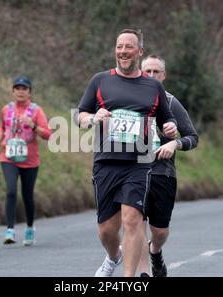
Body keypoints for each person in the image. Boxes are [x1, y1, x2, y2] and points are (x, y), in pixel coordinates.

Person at [77, 29, 177, 277]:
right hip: (106, 162)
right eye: (119, 46)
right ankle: (113, 256)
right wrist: (93, 117)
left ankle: (128, 279)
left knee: (133, 220)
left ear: (139, 51)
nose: (123, 51)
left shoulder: (152, 86)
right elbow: (79, 116)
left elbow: (168, 120)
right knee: (107, 231)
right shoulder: (100, 80)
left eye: (129, 47)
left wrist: (170, 127)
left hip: (138, 163)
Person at [137, 55, 198, 277]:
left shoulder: (171, 102)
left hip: (163, 172)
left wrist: (175, 143)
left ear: (163, 76)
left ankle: (156, 251)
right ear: (140, 72)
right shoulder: (127, 99)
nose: (151, 76)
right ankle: (144, 274)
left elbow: (193, 137)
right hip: (133, 172)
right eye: (147, 71)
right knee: (135, 224)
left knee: (159, 230)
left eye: (156, 72)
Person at [0, 75, 51, 246]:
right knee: (11, 191)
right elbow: (2, 127)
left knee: (27, 196)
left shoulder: (36, 111)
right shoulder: (6, 109)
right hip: (8, 157)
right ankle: (9, 230)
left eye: (24, 89)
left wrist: (33, 125)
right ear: (12, 91)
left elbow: (47, 134)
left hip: (29, 160)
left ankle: (29, 226)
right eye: (17, 88)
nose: (20, 92)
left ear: (30, 92)